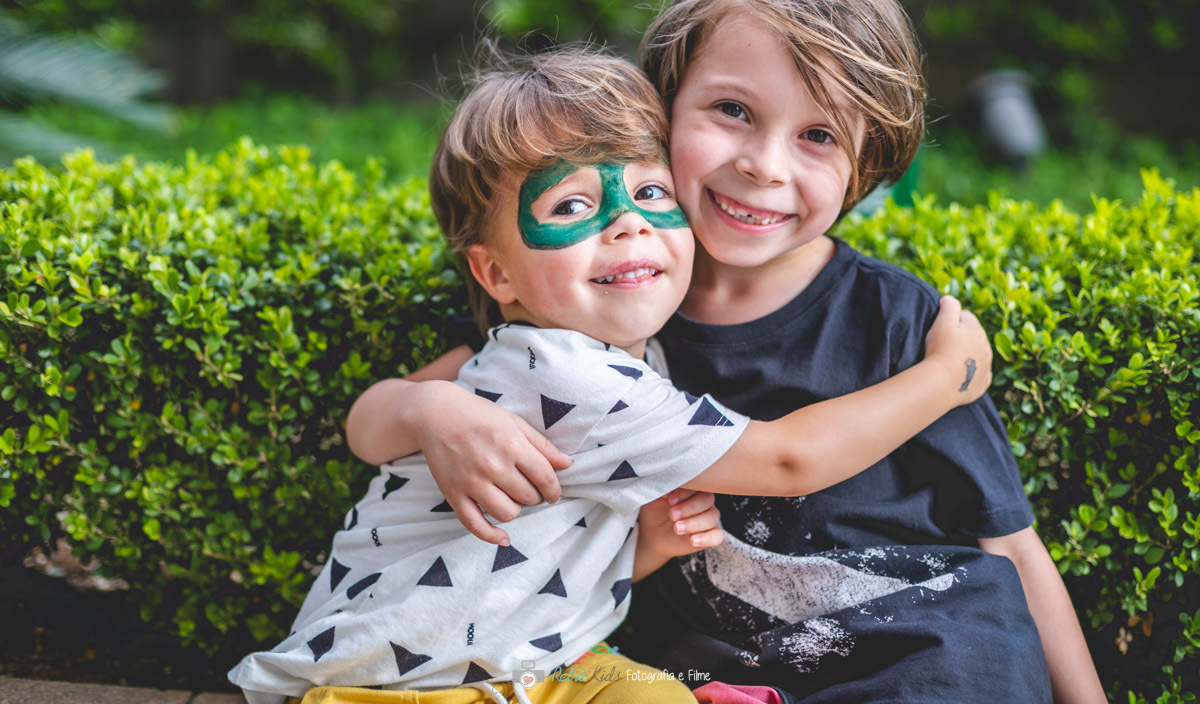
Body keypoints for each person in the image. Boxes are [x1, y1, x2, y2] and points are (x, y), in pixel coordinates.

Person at [343, 0, 1106, 704]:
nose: (765, 166)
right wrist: (430, 410)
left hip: (928, 660)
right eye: (732, 111)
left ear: (867, 162)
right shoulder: (597, 298)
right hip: (717, 679)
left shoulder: (901, 322)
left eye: (818, 135)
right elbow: (389, 413)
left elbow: (1005, 538)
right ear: (666, 104)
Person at [230, 47, 995, 704]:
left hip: (537, 669)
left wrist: (645, 549)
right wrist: (945, 376)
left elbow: (519, 551)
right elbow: (790, 458)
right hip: (396, 686)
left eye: (651, 193)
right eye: (572, 205)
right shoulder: (565, 371)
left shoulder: (613, 359)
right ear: (496, 270)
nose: (627, 222)